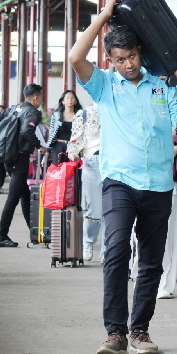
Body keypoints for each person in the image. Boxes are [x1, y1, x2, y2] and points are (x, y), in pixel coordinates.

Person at [69, 0, 177, 354]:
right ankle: (115, 333)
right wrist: (104, 14)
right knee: (116, 251)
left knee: (151, 261)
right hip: (119, 182)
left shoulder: (161, 84)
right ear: (110, 60)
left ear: (142, 51)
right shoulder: (105, 86)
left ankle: (140, 330)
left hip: (157, 185)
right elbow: (77, 57)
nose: (127, 65)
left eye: (132, 56)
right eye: (120, 59)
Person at [0, 84, 45, 247]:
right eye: (40, 97)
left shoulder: (15, 108)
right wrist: (38, 145)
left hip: (9, 157)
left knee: (24, 195)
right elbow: (28, 130)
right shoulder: (33, 112)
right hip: (20, 157)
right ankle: (1, 235)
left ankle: (34, 233)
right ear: (35, 98)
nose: (40, 100)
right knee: (13, 197)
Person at [68, 102, 104, 262]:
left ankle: (107, 251)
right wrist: (73, 153)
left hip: (117, 162)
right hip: (92, 162)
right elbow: (74, 142)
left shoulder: (119, 107)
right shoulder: (83, 114)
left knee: (115, 211)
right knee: (95, 211)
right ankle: (88, 242)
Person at [46, 90, 82, 166]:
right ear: (63, 101)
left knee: (74, 172)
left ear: (75, 101)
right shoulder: (56, 115)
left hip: (74, 148)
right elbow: (51, 134)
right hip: (58, 147)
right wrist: (47, 151)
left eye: (72, 98)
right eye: (67, 98)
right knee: (59, 173)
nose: (70, 100)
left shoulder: (79, 116)